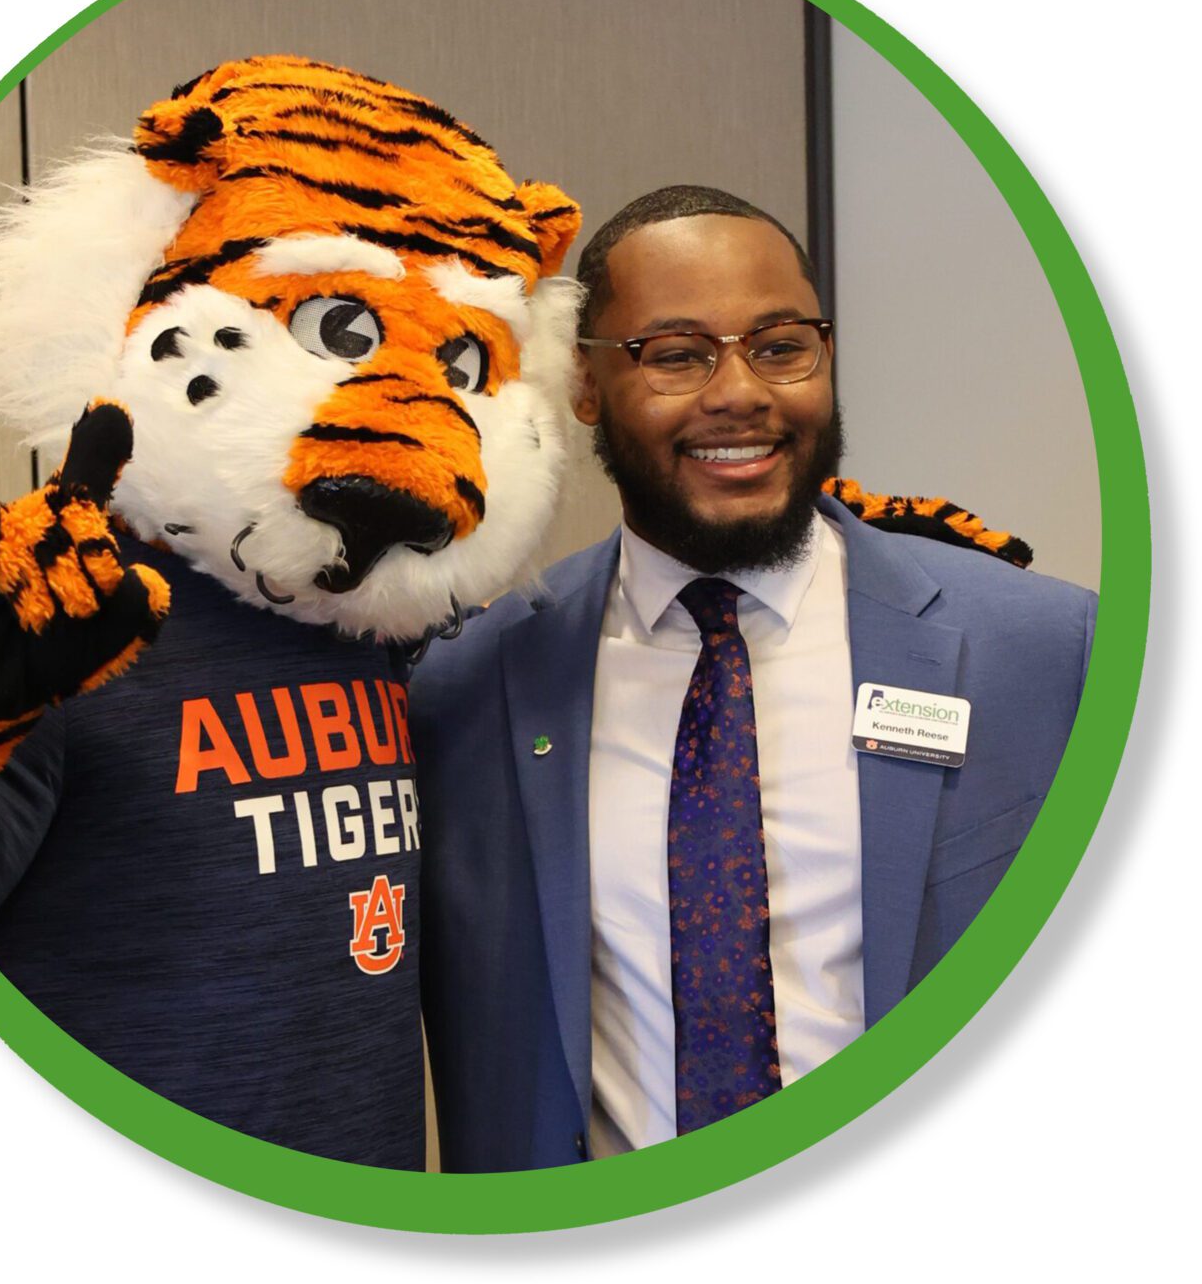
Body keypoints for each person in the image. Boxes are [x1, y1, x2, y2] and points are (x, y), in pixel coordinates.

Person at [411, 185, 1095, 1172]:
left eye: (779, 346)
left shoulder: (1043, 650)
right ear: (584, 383)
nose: (739, 391)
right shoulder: (468, 681)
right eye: (677, 354)